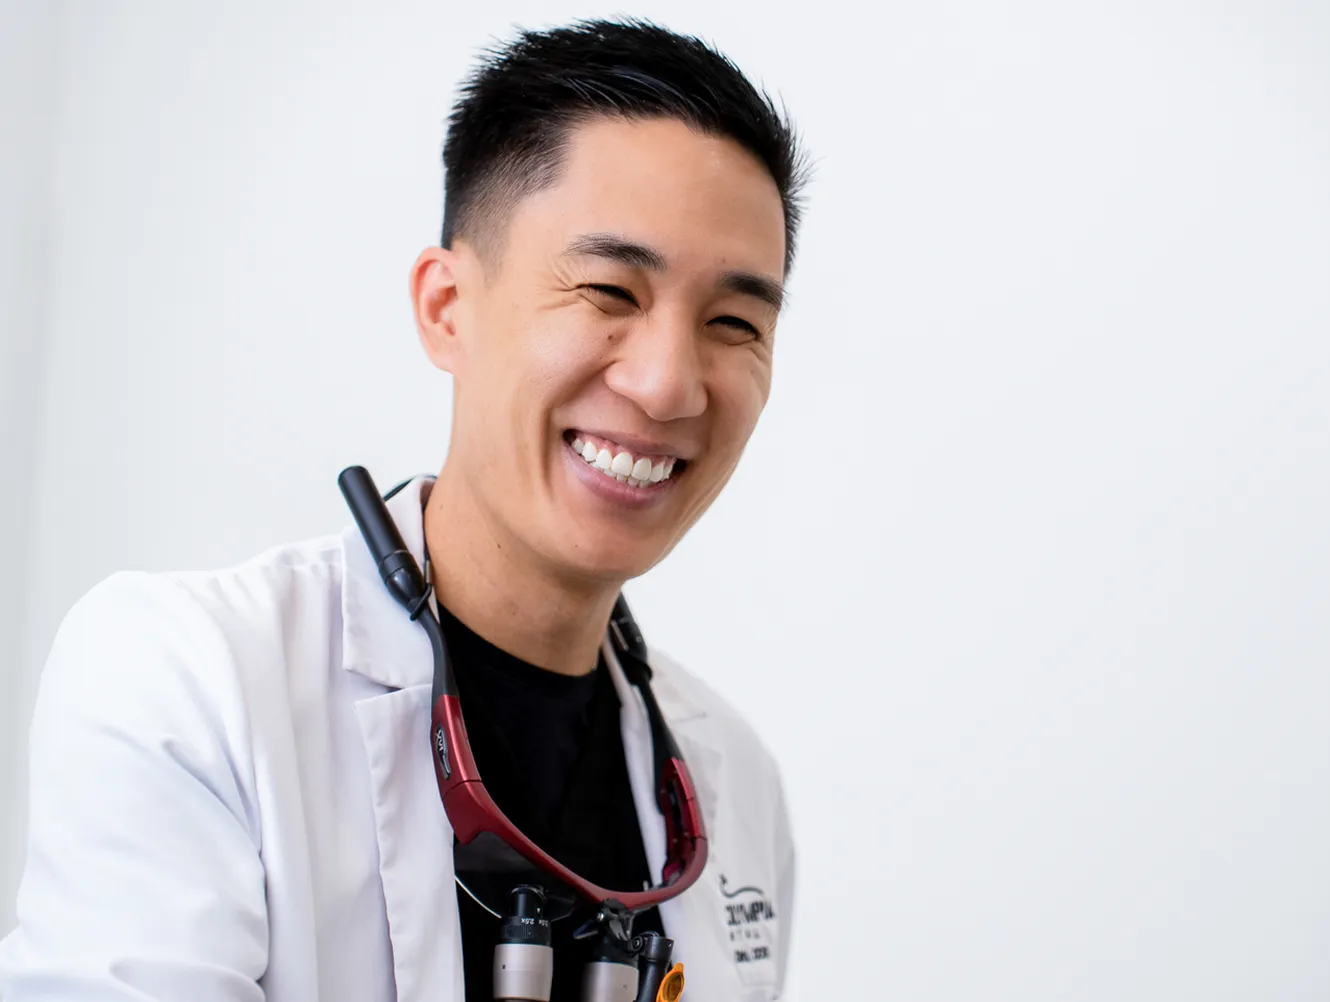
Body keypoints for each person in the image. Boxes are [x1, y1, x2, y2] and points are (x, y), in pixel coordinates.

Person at [0, 17, 807, 1002]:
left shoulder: (735, 788)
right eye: (608, 290)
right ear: (446, 308)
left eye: (733, 323)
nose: (669, 383)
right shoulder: (187, 683)